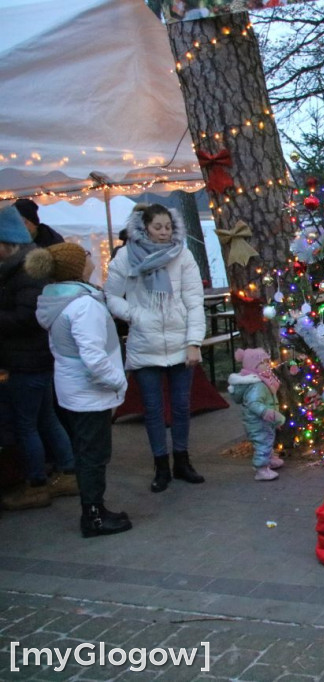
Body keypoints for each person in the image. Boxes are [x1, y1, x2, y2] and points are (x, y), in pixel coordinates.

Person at [27, 243, 132, 537]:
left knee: (87, 452)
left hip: (72, 388)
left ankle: (95, 509)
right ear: (74, 267)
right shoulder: (82, 305)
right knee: (93, 455)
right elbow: (93, 357)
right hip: (89, 392)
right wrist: (118, 381)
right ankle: (94, 515)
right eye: (84, 254)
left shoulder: (59, 301)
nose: (90, 256)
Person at [105, 204, 206, 493]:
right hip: (144, 343)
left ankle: (183, 461)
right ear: (144, 227)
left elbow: (194, 300)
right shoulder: (126, 256)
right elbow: (111, 295)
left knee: (182, 407)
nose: (164, 233)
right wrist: (135, 314)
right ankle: (160, 465)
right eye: (158, 227)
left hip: (179, 343)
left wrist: (193, 342)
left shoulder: (182, 255)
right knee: (152, 409)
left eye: (168, 227)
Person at [0, 206, 77, 510]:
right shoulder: (21, 269)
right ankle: (69, 471)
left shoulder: (25, 272)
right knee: (45, 418)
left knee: (26, 424)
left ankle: (36, 483)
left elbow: (27, 317)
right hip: (35, 359)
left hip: (28, 360)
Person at [227, 348, 286, 481]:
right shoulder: (257, 385)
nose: (268, 365)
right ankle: (261, 469)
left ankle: (269, 460)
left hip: (265, 420)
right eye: (263, 363)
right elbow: (254, 404)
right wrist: (268, 413)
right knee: (262, 443)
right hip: (258, 421)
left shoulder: (264, 380)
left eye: (267, 361)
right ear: (254, 366)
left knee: (268, 439)